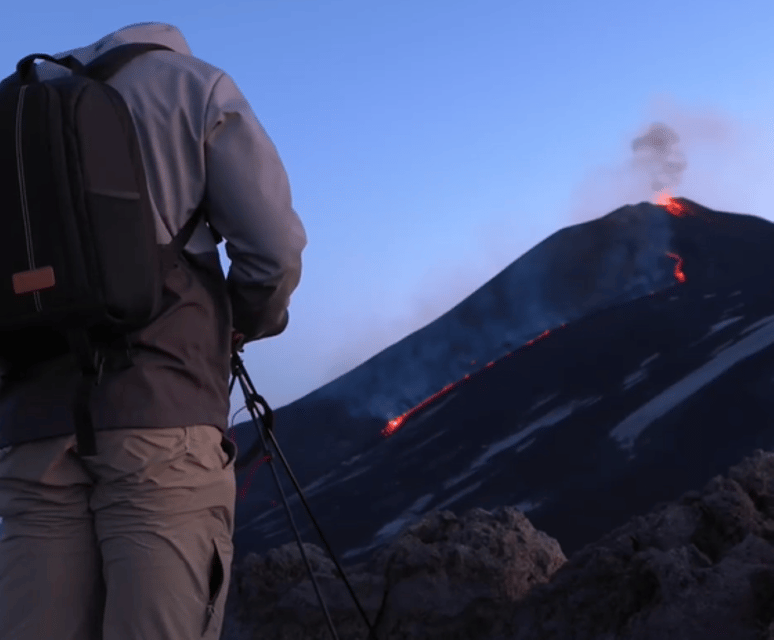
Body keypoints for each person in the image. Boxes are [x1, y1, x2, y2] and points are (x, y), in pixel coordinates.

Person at [0, 22, 306, 640]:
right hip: (161, 427)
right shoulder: (192, 87)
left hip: (30, 439)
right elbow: (272, 253)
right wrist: (239, 328)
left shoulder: (9, 115)